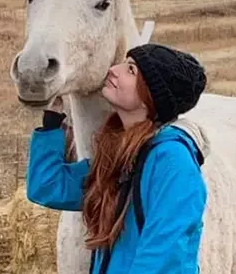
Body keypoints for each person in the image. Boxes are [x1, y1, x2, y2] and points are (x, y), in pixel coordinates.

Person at [26, 43, 208, 273]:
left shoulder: (172, 161)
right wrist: (52, 122)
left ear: (150, 96)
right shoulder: (124, 156)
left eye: (131, 70)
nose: (114, 69)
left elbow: (163, 259)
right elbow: (47, 186)